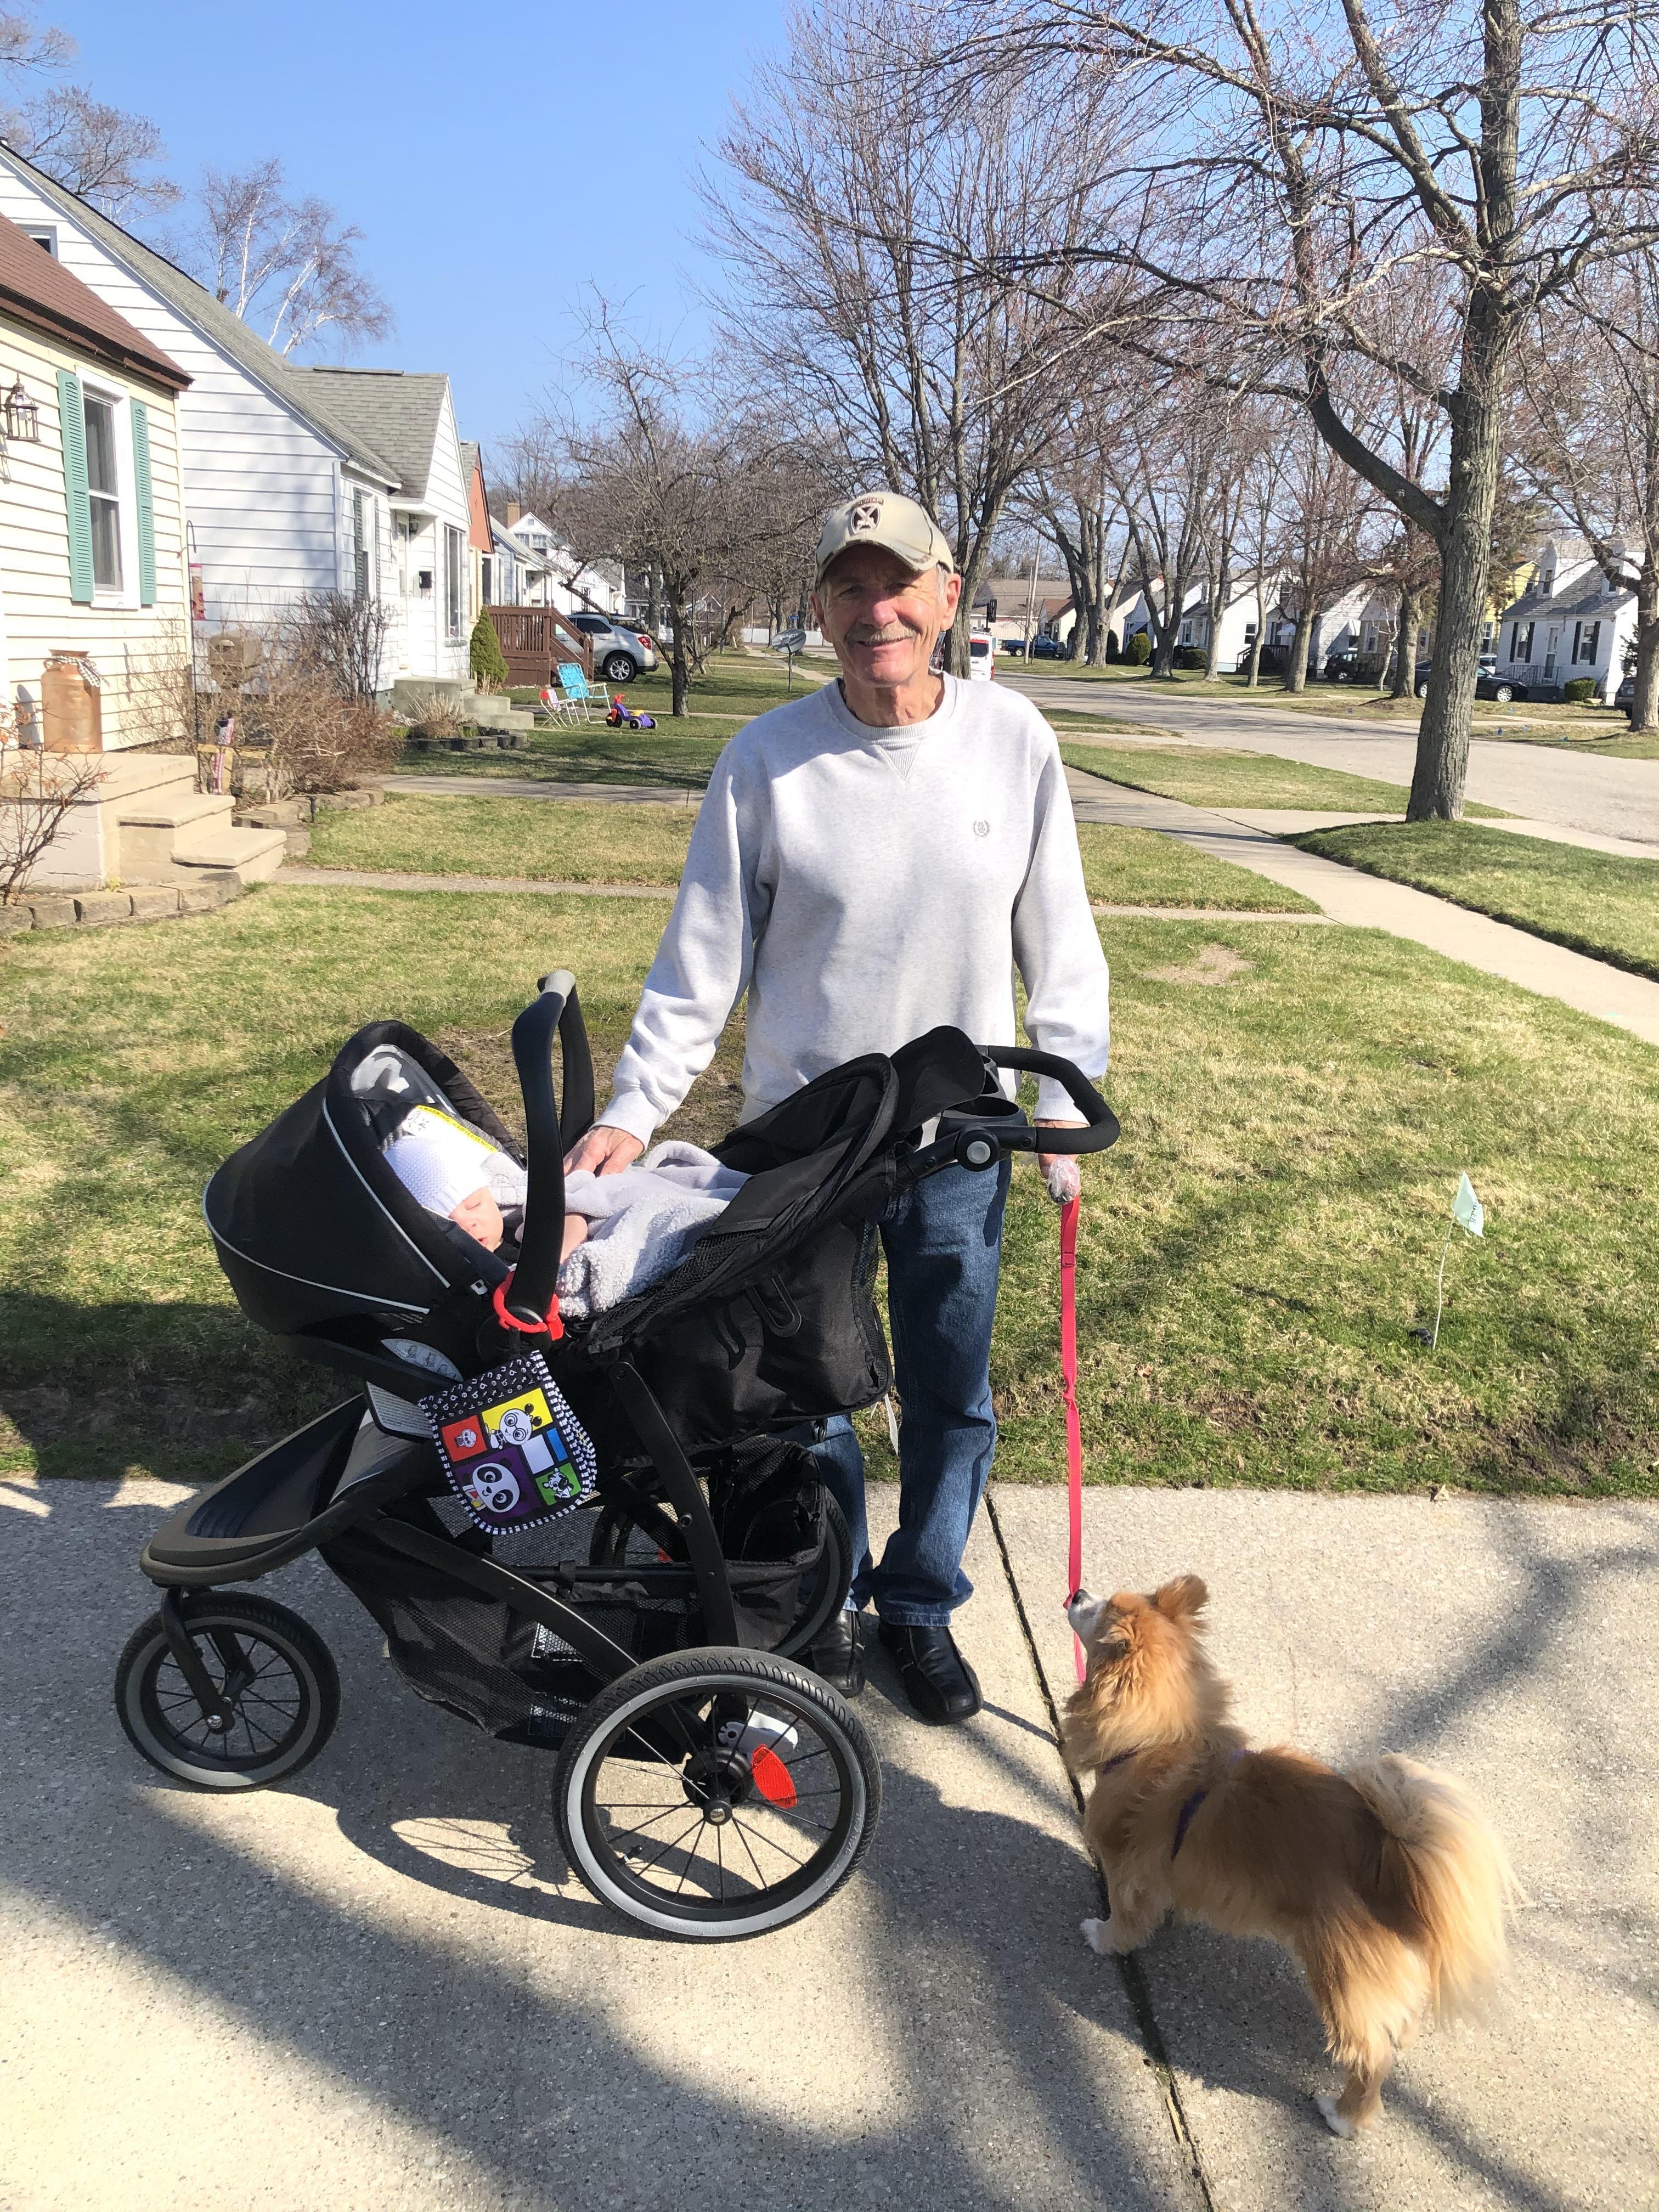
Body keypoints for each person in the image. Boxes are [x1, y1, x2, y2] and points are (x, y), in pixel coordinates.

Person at [564, 490, 1110, 1725]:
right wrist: (635, 1109)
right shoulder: (765, 760)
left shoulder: (1014, 740)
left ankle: (916, 1605)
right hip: (807, 1142)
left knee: (948, 1388)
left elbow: (1058, 932)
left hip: (956, 1135)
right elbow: (701, 955)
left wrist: (1068, 1085)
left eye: (900, 584)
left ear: (949, 594)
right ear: (820, 607)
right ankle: (809, 1601)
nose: (879, 612)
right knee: (799, 1393)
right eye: (852, 589)